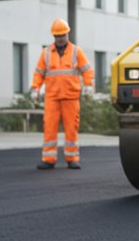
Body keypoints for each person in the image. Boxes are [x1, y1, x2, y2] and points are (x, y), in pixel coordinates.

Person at [30, 18, 94, 170]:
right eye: (57, 36)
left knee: (71, 128)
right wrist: (35, 89)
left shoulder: (76, 52)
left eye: (62, 35)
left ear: (67, 34)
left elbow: (87, 70)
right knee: (49, 128)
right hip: (52, 96)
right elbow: (39, 73)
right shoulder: (46, 53)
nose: (60, 38)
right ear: (53, 37)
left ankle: (72, 159)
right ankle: (48, 159)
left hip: (70, 97)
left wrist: (89, 85)